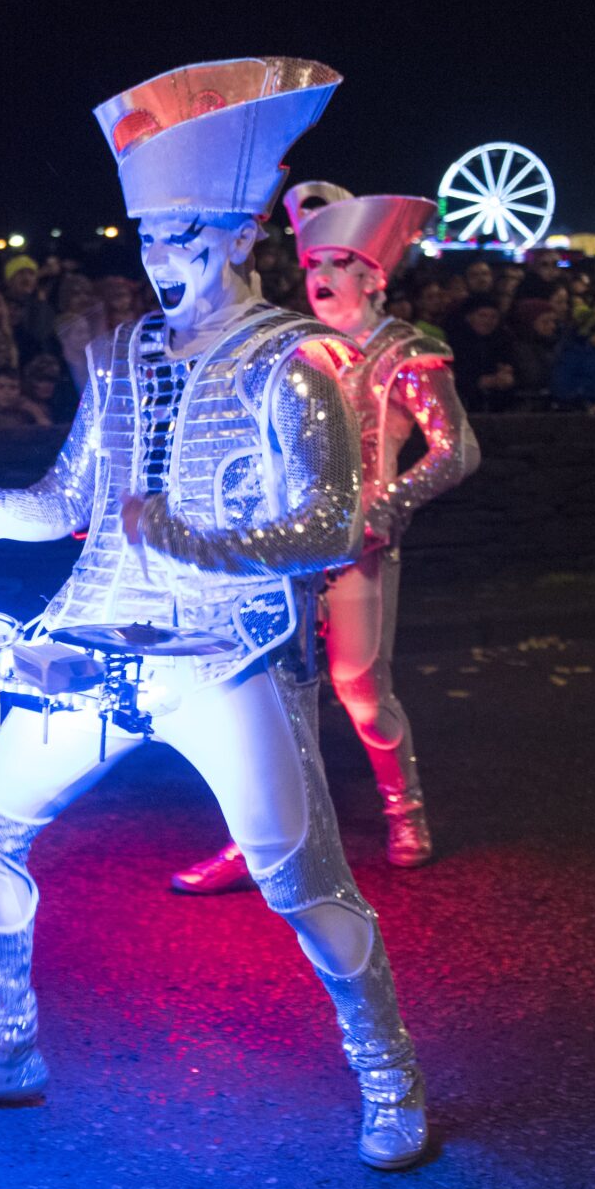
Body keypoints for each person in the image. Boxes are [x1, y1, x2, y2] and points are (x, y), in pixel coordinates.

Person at [0, 58, 431, 1177]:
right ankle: (4, 1044)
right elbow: (65, 502)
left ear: (241, 237)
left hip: (226, 658)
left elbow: (335, 527)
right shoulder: (125, 352)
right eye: (149, 241)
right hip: (98, 648)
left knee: (301, 884)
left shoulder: (296, 362)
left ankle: (387, 1070)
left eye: (186, 237)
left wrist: (208, 546)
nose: (162, 262)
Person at [171, 182, 478, 894]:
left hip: (359, 547)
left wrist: (390, 503)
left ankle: (406, 811)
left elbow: (456, 449)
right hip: (281, 552)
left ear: (373, 274)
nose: (320, 279)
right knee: (269, 694)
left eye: (337, 263)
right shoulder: (295, 347)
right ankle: (259, 838)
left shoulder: (410, 352)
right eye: (313, 266)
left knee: (361, 688)